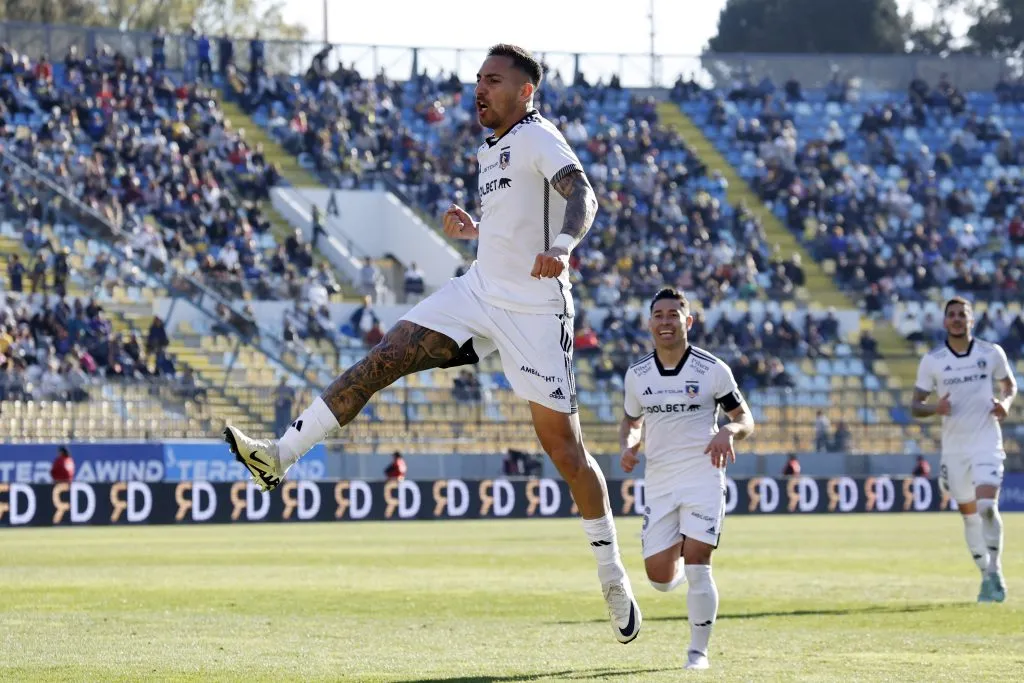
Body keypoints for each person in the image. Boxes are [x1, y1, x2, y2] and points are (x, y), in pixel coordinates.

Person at [224, 44, 641, 643]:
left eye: (494, 80)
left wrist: (564, 246)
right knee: (384, 356)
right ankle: (278, 457)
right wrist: (480, 230)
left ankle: (611, 575)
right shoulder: (491, 149)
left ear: (526, 91)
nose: (481, 88)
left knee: (567, 455)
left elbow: (583, 196)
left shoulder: (538, 136)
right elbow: (518, 220)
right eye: (478, 79)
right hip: (477, 293)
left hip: (535, 310)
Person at [619, 288, 755, 671]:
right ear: (649, 323)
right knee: (659, 579)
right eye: (658, 315)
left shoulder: (712, 369)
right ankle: (678, 552)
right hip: (660, 482)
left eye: (673, 315)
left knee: (699, 563)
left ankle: (698, 653)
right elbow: (631, 420)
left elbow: (745, 418)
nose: (665, 321)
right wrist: (629, 445)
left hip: (703, 477)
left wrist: (729, 432)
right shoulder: (638, 374)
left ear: (687, 321)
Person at [911, 296, 1017, 603]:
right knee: (969, 517)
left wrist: (1005, 404)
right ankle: (985, 576)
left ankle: (995, 570)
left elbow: (1009, 384)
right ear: (945, 322)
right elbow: (915, 405)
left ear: (971, 321)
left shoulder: (990, 352)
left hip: (987, 442)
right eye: (952, 315)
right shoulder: (932, 360)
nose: (957, 319)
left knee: (987, 508)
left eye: (963, 315)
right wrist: (935, 407)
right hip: (954, 450)